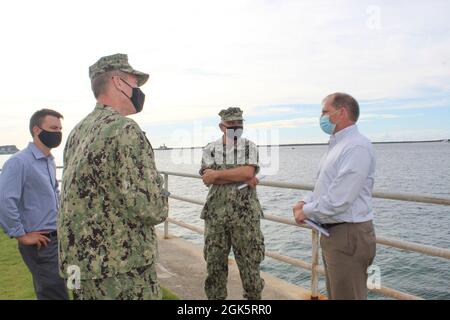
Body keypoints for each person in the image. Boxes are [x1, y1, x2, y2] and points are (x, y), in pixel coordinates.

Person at [58, 53, 168, 300]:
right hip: (120, 272)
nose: (139, 91)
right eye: (135, 84)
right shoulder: (123, 129)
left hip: (81, 269)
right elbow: (151, 209)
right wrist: (162, 193)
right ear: (119, 82)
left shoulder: (79, 131)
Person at [293, 92, 376, 300]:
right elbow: (325, 186)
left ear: (341, 112)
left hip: (347, 234)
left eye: (324, 112)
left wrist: (305, 211)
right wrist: (305, 201)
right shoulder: (338, 145)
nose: (321, 117)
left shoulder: (356, 146)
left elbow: (339, 200)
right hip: (334, 233)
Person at [0, 109, 68, 300]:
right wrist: (20, 234)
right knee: (54, 293)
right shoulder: (19, 162)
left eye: (60, 128)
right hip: (41, 243)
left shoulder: (49, 161)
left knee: (63, 287)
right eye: (53, 128)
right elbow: (4, 201)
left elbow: (53, 192)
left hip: (57, 239)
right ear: (37, 130)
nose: (58, 133)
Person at [200, 107, 265, 300]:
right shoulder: (210, 149)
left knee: (250, 267)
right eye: (231, 125)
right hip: (216, 216)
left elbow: (247, 173)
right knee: (214, 267)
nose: (236, 127)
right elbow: (207, 178)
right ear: (222, 126)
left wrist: (220, 174)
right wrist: (240, 176)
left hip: (245, 216)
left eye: (240, 124)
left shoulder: (250, 147)